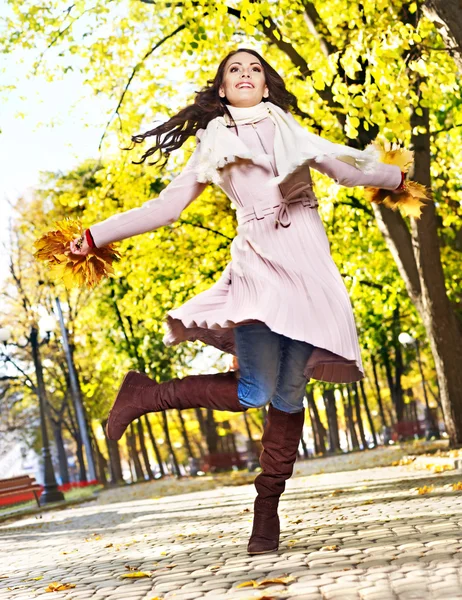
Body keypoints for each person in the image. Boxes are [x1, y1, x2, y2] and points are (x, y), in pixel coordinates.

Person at [71, 48, 404, 555]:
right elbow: (166, 207)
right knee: (254, 391)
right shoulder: (213, 143)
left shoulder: (294, 131)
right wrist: (96, 236)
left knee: (290, 395)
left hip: (311, 273)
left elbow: (349, 173)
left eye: (255, 69)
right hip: (259, 270)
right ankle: (145, 396)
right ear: (223, 89)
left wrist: (399, 178)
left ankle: (266, 510)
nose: (246, 74)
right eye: (235, 69)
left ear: (266, 86)